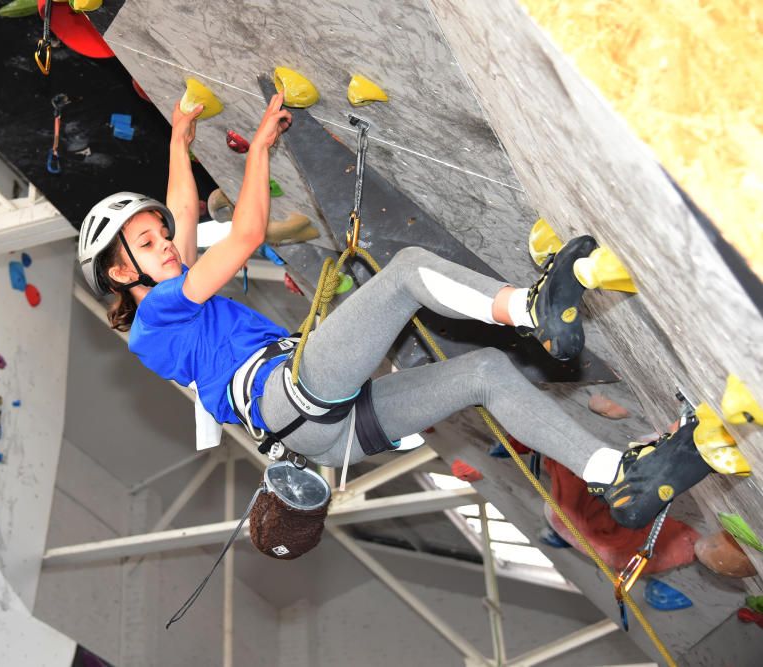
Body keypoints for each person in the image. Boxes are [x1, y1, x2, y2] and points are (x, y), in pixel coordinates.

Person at [76, 92, 711, 530]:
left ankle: (614, 474)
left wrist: (180, 140)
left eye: (160, 239)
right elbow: (240, 239)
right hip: (286, 395)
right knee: (406, 271)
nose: (166, 247)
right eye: (147, 246)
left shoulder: (169, 295)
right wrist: (262, 148)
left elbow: (182, 215)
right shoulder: (159, 314)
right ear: (121, 273)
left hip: (326, 430)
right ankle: (530, 307)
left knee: (485, 373)